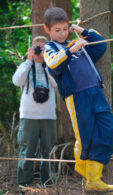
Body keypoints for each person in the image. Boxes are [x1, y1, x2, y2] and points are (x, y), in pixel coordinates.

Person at [43, 7, 113, 192]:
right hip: (77, 96)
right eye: (56, 30)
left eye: (65, 29)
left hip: (96, 92)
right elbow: (54, 63)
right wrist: (70, 49)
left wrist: (81, 31)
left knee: (107, 130)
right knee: (85, 135)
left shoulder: (79, 42)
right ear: (48, 30)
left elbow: (100, 45)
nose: (61, 34)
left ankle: (94, 177)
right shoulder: (50, 47)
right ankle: (89, 174)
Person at [12, 36, 57, 186]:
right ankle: (24, 186)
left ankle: (49, 185)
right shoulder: (27, 66)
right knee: (26, 152)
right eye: (37, 48)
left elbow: (58, 83)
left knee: (49, 153)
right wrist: (28, 60)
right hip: (29, 117)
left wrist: (49, 61)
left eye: (43, 48)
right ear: (31, 49)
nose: (40, 51)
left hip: (48, 117)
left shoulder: (51, 67)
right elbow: (17, 81)